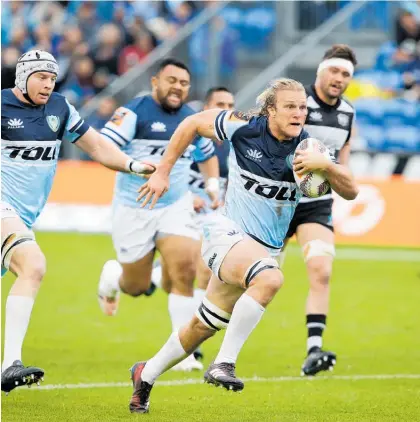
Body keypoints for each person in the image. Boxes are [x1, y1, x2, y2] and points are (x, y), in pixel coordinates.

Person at [128, 78, 359, 413]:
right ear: (270, 110)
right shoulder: (243, 127)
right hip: (225, 234)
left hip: (262, 250)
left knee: (202, 326)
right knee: (271, 279)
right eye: (290, 107)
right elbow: (192, 122)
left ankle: (144, 376)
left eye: (303, 108)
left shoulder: (311, 150)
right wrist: (163, 170)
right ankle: (224, 363)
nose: (299, 114)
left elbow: (351, 191)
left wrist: (328, 167)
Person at [1, 50, 154, 394]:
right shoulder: (1, 106)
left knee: (29, 268)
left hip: (22, 217)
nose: (48, 84)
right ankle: (10, 364)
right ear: (22, 77)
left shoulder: (60, 108)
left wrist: (132, 165)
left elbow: (98, 147)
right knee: (33, 265)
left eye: (52, 78)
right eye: (41, 77)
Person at [97, 58, 220, 372]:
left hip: (174, 206)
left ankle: (183, 352)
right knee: (136, 287)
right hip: (133, 208)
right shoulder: (133, 112)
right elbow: (104, 148)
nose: (178, 87)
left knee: (185, 271)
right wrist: (136, 167)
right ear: (155, 82)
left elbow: (207, 157)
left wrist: (212, 187)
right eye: (172, 80)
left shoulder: (192, 119)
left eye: (184, 83)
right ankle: (113, 277)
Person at [281, 44, 358, 376]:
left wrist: (332, 172)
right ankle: (198, 342)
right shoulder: (297, 103)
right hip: (276, 203)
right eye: (334, 71)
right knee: (252, 278)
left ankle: (314, 350)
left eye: (346, 74)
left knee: (322, 271)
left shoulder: (348, 114)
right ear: (320, 70)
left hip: (315, 204)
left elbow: (344, 164)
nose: (339, 78)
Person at [151, 86, 235, 362]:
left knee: (194, 274)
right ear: (205, 110)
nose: (225, 109)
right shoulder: (191, 137)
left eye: (230, 104)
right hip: (183, 212)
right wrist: (189, 197)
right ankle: (189, 342)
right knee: (194, 273)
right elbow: (170, 173)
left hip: (216, 215)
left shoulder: (237, 142)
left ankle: (189, 340)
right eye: (219, 103)